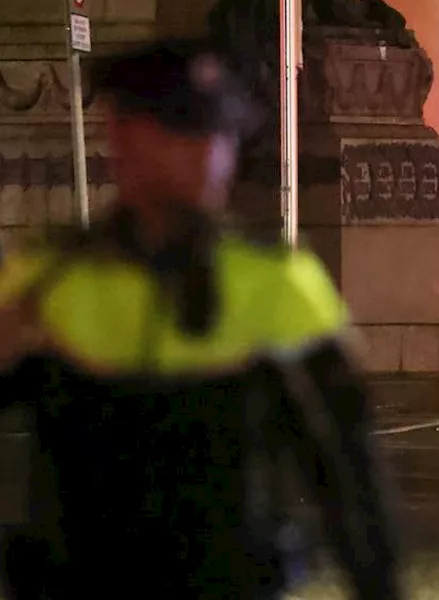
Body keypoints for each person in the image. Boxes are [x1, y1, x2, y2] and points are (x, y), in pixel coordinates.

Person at [0, 40, 402, 599]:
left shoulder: (279, 281)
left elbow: (347, 469)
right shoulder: (47, 281)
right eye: (184, 131)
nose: (210, 155)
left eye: (221, 134)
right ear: (121, 135)